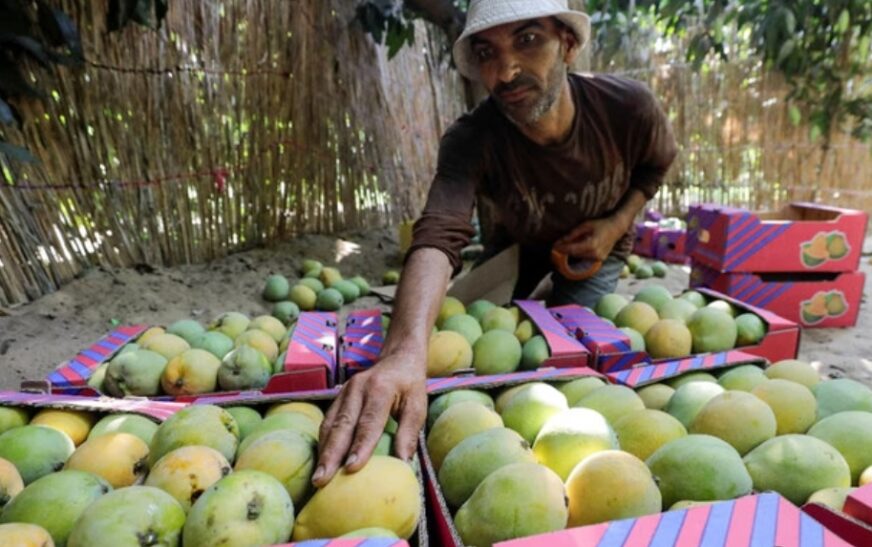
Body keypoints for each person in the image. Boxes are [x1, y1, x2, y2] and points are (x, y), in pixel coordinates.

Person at [312, 0, 677, 487]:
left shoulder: (627, 107)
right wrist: (403, 353)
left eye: (527, 40)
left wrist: (614, 226)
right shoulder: (472, 138)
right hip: (517, 245)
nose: (505, 71)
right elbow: (439, 234)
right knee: (488, 332)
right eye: (487, 51)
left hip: (593, 247)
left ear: (566, 44)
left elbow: (655, 168)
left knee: (571, 339)